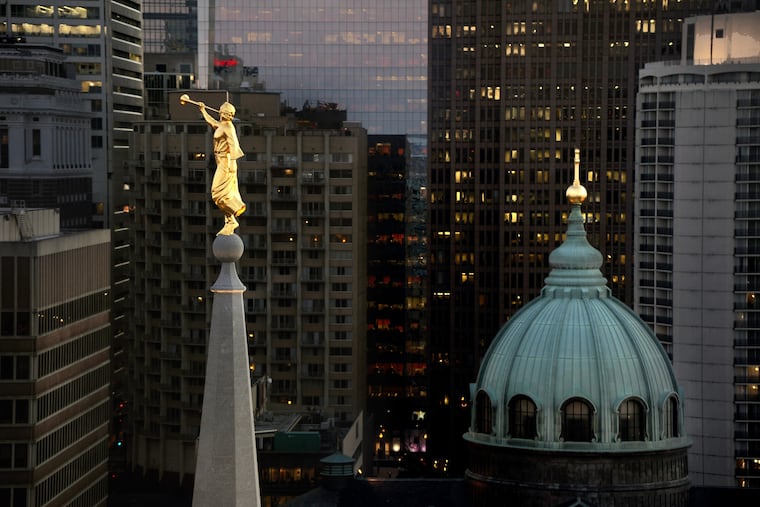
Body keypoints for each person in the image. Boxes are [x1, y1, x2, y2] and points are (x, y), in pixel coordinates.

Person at [199, 100, 246, 235]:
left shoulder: (229, 127)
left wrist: (231, 165)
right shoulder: (222, 125)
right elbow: (213, 123)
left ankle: (234, 213)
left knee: (217, 193)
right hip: (221, 161)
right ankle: (229, 221)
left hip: (226, 162)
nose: (228, 116)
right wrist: (203, 111)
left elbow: (234, 146)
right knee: (222, 194)